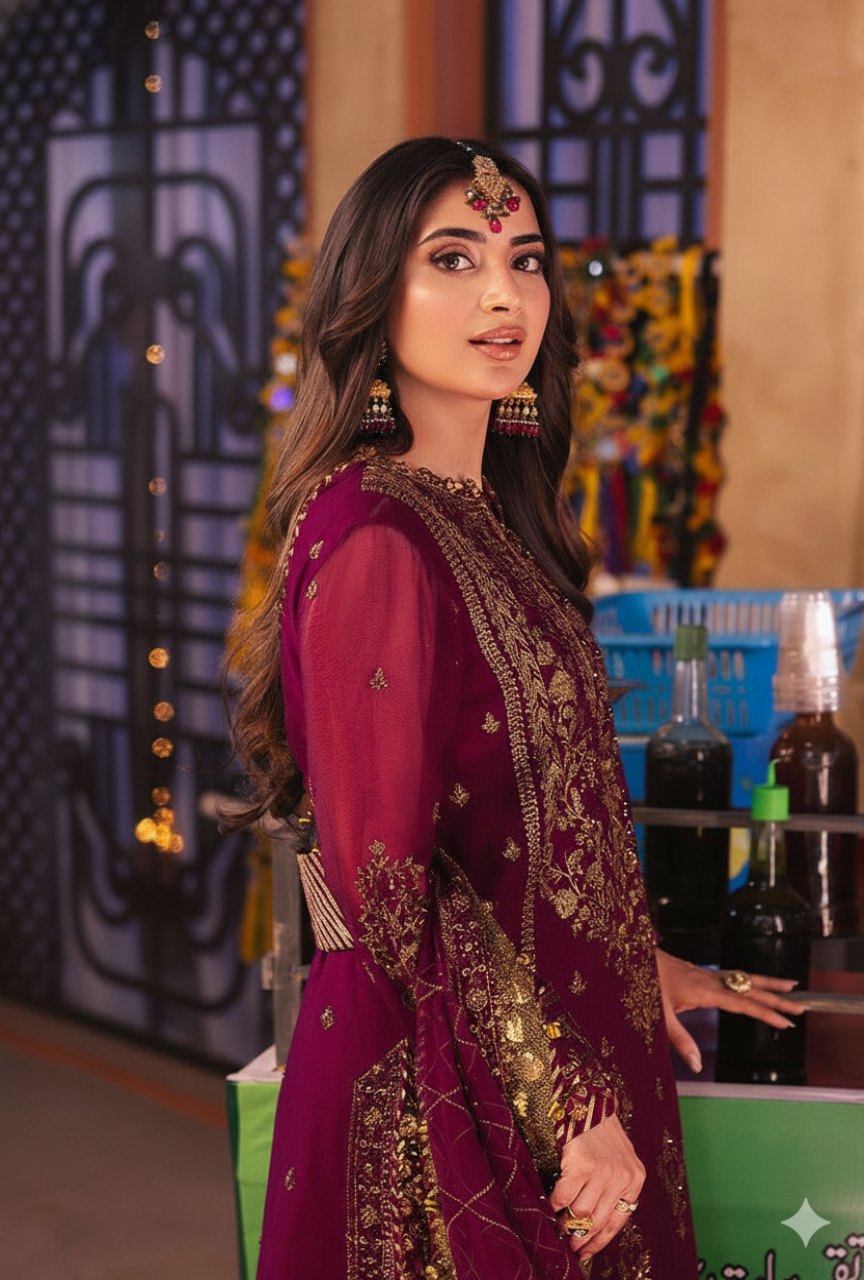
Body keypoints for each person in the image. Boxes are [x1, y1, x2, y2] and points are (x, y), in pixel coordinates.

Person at [225, 137, 801, 1280]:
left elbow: (525, 822)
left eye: (525, 257)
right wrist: (565, 1095)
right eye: (452, 257)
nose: (504, 293)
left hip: (550, 1040)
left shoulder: (496, 520)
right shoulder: (380, 536)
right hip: (452, 1095)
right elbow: (390, 891)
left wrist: (635, 962)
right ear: (369, 298)